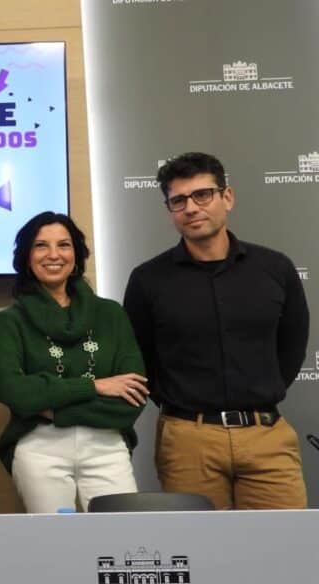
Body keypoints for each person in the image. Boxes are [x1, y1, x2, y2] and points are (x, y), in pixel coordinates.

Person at [124, 152, 309, 510]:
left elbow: (291, 348)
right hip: (188, 440)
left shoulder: (275, 269)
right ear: (169, 210)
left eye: (202, 195)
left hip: (266, 435)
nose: (191, 208)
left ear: (227, 197)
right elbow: (141, 358)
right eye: (179, 200)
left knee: (283, 542)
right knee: (198, 545)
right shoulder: (148, 279)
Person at [0, 212, 146, 513]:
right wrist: (95, 386)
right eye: (41, 246)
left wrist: (50, 405)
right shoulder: (10, 320)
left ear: (76, 255)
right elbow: (11, 390)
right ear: (27, 257)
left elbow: (132, 397)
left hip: (107, 445)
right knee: (54, 540)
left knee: (121, 534)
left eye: (64, 245)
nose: (53, 255)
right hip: (40, 448)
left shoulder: (111, 314)